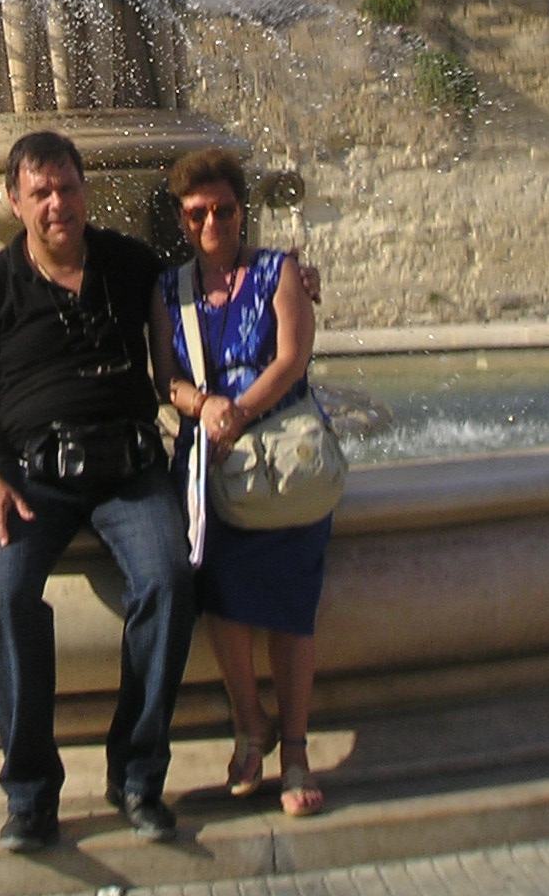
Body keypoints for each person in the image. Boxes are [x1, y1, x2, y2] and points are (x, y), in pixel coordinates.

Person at [0, 129, 194, 853]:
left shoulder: (133, 265)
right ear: (14, 202)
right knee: (8, 597)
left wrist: (286, 274)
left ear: (86, 191)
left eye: (68, 187)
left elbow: (210, 282)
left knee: (171, 583)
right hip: (30, 480)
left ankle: (138, 776)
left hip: (130, 471)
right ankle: (30, 794)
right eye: (41, 192)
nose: (57, 204)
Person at [149, 148, 331, 816]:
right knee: (222, 599)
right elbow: (165, 377)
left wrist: (239, 410)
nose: (212, 222)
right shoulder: (171, 291)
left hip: (283, 459)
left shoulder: (278, 271)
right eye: (198, 213)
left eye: (224, 209)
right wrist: (203, 408)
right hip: (213, 468)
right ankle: (249, 726)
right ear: (180, 218)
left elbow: (292, 357)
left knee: (291, 608)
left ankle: (297, 749)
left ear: (240, 210)